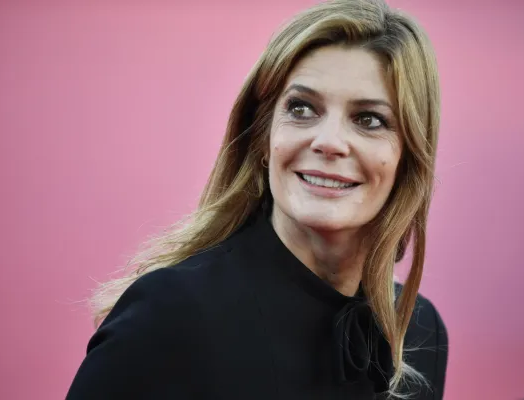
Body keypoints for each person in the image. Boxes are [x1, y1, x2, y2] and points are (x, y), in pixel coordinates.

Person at [66, 0, 448, 398]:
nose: (329, 141)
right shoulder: (170, 312)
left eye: (369, 119)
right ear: (263, 138)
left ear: (408, 158)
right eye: (302, 108)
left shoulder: (419, 332)